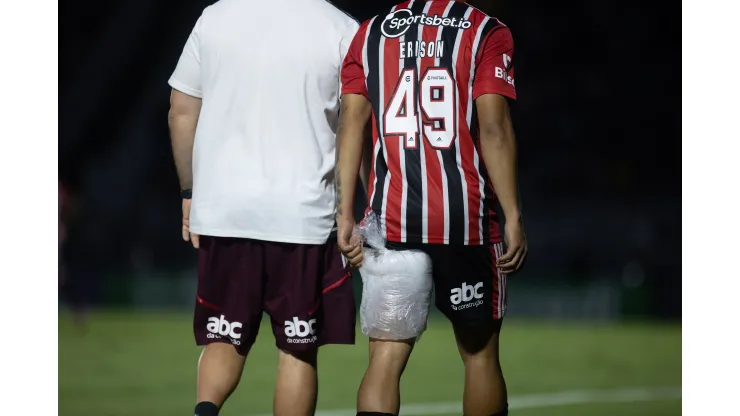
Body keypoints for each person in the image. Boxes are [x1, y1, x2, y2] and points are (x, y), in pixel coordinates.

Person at [335, 1, 528, 416]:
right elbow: (493, 128)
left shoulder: (370, 34)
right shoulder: (483, 30)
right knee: (479, 356)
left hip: (393, 220)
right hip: (467, 222)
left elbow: (351, 123)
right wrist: (513, 214)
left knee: (385, 358)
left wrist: (345, 216)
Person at [167, 1, 359, 415]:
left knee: (224, 336)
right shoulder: (340, 28)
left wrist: (189, 193)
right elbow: (356, 125)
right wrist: (355, 207)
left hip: (224, 210)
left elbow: (180, 110)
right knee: (297, 348)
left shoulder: (216, 16)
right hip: (302, 215)